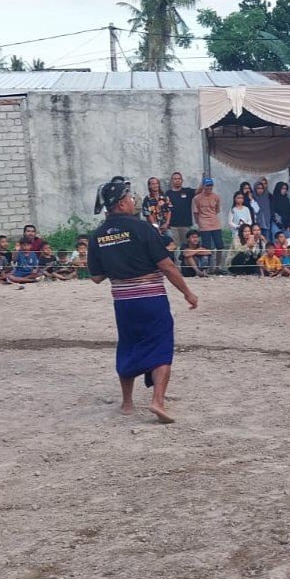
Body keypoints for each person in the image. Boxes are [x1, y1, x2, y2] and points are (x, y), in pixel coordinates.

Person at [88, 178, 198, 423]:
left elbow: (96, 276)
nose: (132, 200)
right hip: (151, 298)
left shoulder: (97, 236)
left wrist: (117, 262)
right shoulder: (142, 228)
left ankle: (127, 403)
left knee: (128, 344)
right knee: (160, 346)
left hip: (123, 302)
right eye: (129, 197)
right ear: (121, 203)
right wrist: (187, 293)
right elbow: (167, 266)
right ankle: (157, 401)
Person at [192, 177, 223, 271]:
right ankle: (206, 268)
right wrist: (199, 222)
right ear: (203, 186)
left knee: (219, 245)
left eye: (210, 186)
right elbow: (195, 212)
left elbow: (217, 210)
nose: (209, 188)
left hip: (215, 223)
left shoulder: (216, 197)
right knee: (206, 246)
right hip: (204, 223)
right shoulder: (197, 198)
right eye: (207, 186)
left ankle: (218, 267)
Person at [165, 172, 195, 247]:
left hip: (186, 225)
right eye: (175, 179)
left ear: (182, 180)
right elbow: (166, 209)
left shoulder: (187, 191)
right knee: (175, 247)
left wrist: (204, 179)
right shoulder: (168, 193)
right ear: (172, 181)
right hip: (173, 226)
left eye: (179, 179)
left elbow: (199, 191)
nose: (177, 180)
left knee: (187, 247)